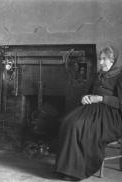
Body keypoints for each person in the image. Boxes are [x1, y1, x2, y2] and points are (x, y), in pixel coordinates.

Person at [55, 46, 122, 181]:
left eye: (104, 59)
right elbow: (90, 91)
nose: (101, 62)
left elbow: (120, 102)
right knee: (68, 121)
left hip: (111, 115)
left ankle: (76, 171)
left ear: (113, 61)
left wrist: (101, 98)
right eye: (100, 59)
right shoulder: (98, 75)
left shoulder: (120, 75)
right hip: (92, 109)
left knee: (79, 126)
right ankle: (65, 169)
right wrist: (85, 97)